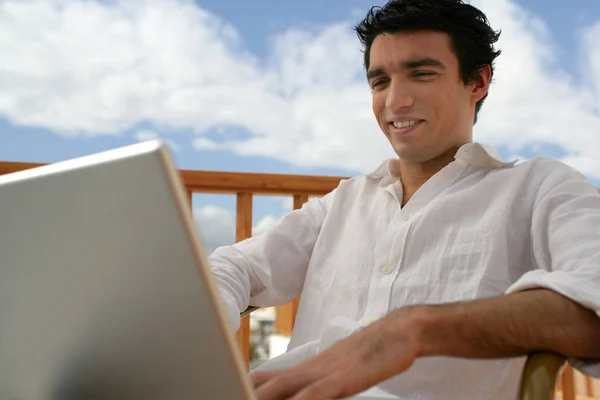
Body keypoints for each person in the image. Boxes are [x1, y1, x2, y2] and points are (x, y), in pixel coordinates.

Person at [208, 0, 600, 399]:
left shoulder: (540, 188)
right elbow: (237, 267)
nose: (395, 101)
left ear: (478, 81)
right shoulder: (344, 202)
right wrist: (195, 324)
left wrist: (415, 329)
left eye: (422, 74)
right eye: (380, 82)